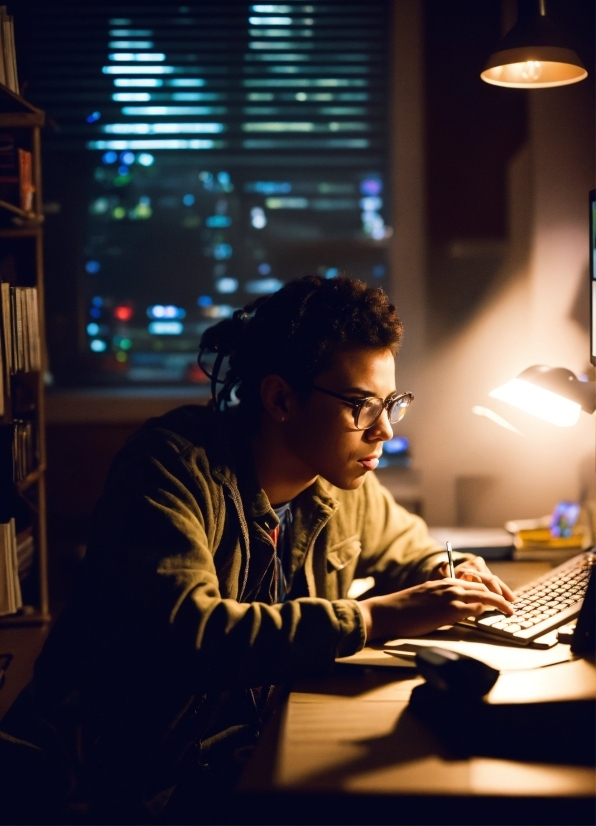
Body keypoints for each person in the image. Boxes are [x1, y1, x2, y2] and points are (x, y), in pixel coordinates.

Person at [11, 276, 513, 822]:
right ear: (280, 398)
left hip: (239, 760)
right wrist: (369, 619)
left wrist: (454, 572)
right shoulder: (168, 470)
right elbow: (191, 635)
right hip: (120, 787)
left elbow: (412, 550)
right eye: (363, 406)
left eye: (392, 403)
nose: (385, 430)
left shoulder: (335, 482)